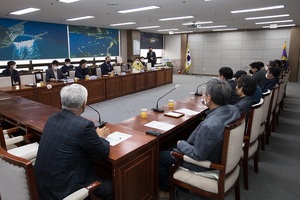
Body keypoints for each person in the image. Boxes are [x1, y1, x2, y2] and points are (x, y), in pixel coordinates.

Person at [158, 79, 240, 198]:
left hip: (205, 163)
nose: (202, 95)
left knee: (160, 157)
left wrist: (181, 143)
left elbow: (198, 155)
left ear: (208, 98)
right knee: (171, 146)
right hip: (221, 153)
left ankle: (166, 191)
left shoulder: (210, 126)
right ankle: (181, 186)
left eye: (204, 93)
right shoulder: (234, 109)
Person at [34, 84, 112, 200]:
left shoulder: (52, 118)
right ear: (84, 103)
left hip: (42, 186)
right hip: (64, 191)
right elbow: (104, 151)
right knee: (112, 185)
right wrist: (100, 136)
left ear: (62, 100)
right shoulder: (84, 126)